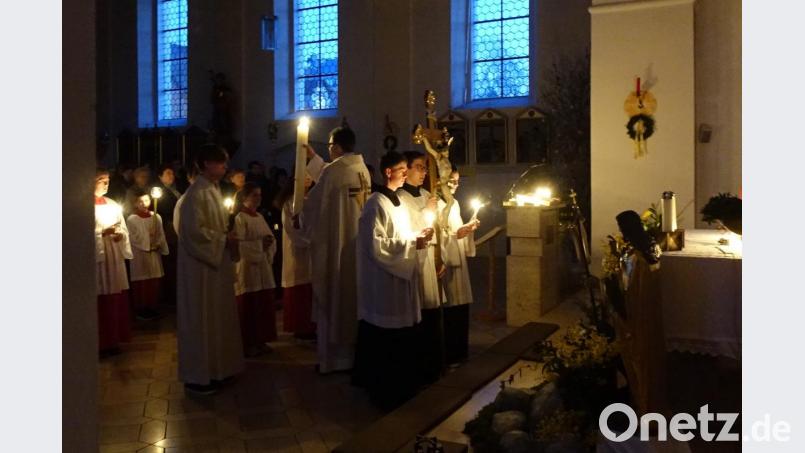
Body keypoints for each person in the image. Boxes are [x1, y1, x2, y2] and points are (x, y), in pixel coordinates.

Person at [353, 150, 433, 409]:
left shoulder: (396, 201)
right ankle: (386, 390)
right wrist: (412, 242)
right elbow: (375, 245)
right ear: (389, 172)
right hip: (384, 282)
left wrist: (419, 235)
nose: (406, 173)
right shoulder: (375, 204)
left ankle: (406, 383)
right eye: (402, 169)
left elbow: (401, 234)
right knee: (387, 339)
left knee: (405, 335)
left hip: (400, 277)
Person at [298, 127, 371, 373]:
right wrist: (315, 159)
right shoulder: (362, 170)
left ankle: (333, 361)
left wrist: (300, 211)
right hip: (358, 246)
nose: (329, 150)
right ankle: (354, 356)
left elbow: (316, 204)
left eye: (330, 146)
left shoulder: (334, 170)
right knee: (354, 298)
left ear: (337, 147)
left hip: (337, 246)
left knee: (334, 297)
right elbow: (332, 185)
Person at [173, 144, 244, 394]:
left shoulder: (212, 190)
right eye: (220, 162)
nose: (225, 167)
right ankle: (198, 376)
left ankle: (216, 370)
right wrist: (223, 239)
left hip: (213, 267)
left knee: (215, 319)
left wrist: (226, 236)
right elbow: (193, 234)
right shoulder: (196, 194)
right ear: (205, 164)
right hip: (199, 270)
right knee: (200, 320)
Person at [396, 150, 445, 383]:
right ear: (405, 171)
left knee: (433, 308)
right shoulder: (400, 198)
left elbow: (439, 229)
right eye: (419, 167)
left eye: (425, 168)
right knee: (420, 308)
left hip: (430, 256)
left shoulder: (427, 193)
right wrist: (427, 212)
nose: (424, 172)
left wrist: (440, 257)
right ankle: (421, 364)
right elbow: (408, 228)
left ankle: (435, 361)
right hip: (414, 260)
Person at [233, 182, 278, 357]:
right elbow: (238, 245)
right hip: (248, 268)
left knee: (262, 304)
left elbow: (271, 238)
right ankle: (249, 342)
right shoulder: (240, 218)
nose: (258, 198)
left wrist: (268, 243)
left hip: (262, 266)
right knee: (250, 306)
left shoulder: (259, 216)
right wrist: (260, 245)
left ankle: (261, 340)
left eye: (260, 195)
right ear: (244, 198)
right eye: (254, 195)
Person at [441, 167, 479, 365]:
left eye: (457, 181)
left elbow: (457, 231)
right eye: (451, 181)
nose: (455, 185)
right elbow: (438, 236)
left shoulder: (453, 203)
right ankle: (450, 353)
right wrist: (457, 234)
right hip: (447, 263)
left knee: (460, 307)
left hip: (459, 262)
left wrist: (468, 230)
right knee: (450, 310)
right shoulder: (437, 204)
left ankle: (460, 351)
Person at [94, 167, 133, 353]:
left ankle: (113, 340)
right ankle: (100, 342)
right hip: (98, 258)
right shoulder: (83, 205)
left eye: (108, 180)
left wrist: (120, 235)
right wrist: (102, 233)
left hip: (112, 254)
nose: (106, 184)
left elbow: (123, 228)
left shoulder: (111, 204)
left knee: (114, 295)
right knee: (100, 295)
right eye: (102, 180)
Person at [279, 171, 316, 339]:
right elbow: (291, 228)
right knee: (300, 284)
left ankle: (312, 325)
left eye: (310, 175)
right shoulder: (290, 202)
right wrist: (310, 240)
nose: (308, 178)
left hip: (314, 250)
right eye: (305, 174)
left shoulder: (314, 198)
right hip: (298, 250)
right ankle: (301, 326)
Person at [126, 188, 169, 320]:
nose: (144, 203)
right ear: (135, 203)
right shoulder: (132, 219)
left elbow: (161, 233)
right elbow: (134, 237)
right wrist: (147, 238)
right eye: (140, 201)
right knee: (142, 280)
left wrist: (157, 243)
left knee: (153, 280)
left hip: (154, 253)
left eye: (146, 200)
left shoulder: (156, 216)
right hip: (140, 254)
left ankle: (153, 306)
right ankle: (141, 308)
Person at [154, 164, 182, 305]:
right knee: (169, 261)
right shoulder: (161, 193)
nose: (172, 176)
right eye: (168, 173)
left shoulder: (175, 190)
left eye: (172, 173)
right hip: (168, 229)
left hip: (176, 228)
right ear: (160, 177)